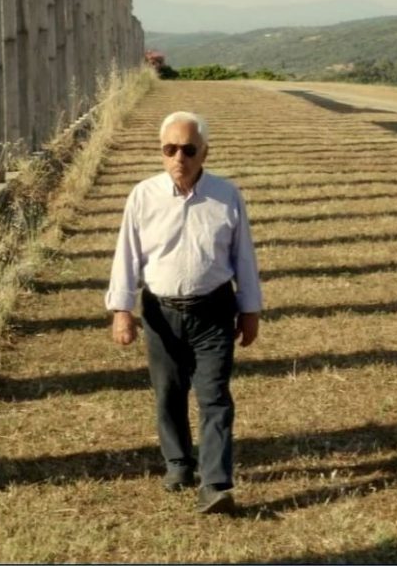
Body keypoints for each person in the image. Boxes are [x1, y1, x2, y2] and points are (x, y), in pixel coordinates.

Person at [104, 110, 261, 514]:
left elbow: (243, 256)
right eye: (170, 149)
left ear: (204, 151)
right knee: (169, 394)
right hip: (161, 312)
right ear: (161, 152)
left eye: (188, 149)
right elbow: (128, 254)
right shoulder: (143, 195)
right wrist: (122, 309)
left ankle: (216, 483)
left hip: (214, 311)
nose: (179, 157)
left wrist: (250, 309)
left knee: (215, 396)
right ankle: (178, 463)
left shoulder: (226, 195)